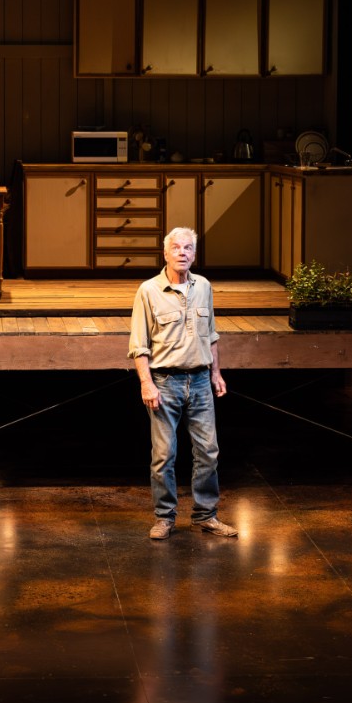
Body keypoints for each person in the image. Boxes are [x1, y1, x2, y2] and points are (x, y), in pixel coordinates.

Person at [128, 227, 238, 541]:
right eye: (176, 247)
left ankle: (206, 516)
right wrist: (146, 384)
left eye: (188, 248)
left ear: (194, 253)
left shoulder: (203, 286)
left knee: (208, 452)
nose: (182, 253)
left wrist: (216, 373)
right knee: (164, 455)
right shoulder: (148, 290)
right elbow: (139, 345)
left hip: (201, 380)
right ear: (165, 253)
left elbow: (212, 335)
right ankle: (164, 518)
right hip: (165, 383)